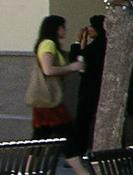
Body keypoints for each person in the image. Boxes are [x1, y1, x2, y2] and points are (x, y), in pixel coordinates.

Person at [30, 15, 84, 150]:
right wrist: (70, 68)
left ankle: (29, 169)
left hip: (49, 99)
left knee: (40, 136)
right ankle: (81, 170)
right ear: (56, 28)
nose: (65, 30)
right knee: (68, 136)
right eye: (63, 27)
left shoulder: (49, 44)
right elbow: (47, 70)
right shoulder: (48, 44)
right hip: (50, 98)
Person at [70, 15, 107, 154]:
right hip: (97, 88)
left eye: (92, 27)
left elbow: (78, 60)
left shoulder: (97, 46)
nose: (89, 30)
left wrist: (76, 42)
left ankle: (77, 152)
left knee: (82, 122)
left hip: (91, 89)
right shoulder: (102, 44)